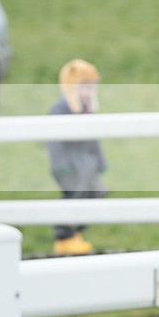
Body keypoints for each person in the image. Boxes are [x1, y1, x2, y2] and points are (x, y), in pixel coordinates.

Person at [46, 59, 107, 255]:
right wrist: (60, 165)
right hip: (70, 165)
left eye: (91, 88)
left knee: (97, 193)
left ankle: (77, 232)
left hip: (87, 164)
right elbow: (54, 141)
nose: (88, 92)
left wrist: (100, 161)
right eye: (84, 87)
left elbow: (93, 140)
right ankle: (64, 236)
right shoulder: (62, 110)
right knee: (73, 196)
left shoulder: (86, 111)